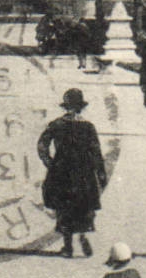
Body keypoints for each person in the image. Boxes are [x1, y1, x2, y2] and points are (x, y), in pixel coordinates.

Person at [38, 88, 109, 258]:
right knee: (83, 206)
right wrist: (101, 174)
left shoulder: (56, 124)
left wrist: (50, 163)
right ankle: (83, 235)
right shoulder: (88, 127)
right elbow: (96, 153)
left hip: (62, 172)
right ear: (81, 107)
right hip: (84, 173)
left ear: (66, 106)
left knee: (64, 208)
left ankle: (68, 246)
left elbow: (42, 146)